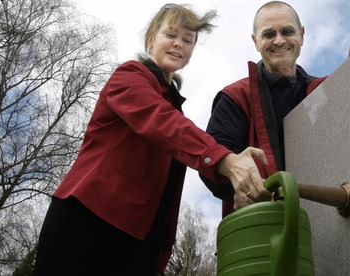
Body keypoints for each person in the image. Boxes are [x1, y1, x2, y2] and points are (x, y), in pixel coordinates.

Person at [33, 4, 271, 275]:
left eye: (187, 40)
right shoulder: (129, 76)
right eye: (171, 35)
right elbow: (159, 121)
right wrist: (224, 159)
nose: (178, 44)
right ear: (151, 40)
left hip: (139, 244)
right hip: (87, 222)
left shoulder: (174, 106)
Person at [201, 1, 350, 217]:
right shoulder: (235, 96)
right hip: (263, 226)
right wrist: (245, 190)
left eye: (287, 31)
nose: (279, 40)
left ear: (302, 35)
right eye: (269, 34)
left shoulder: (324, 91)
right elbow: (213, 164)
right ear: (255, 41)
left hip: (326, 223)